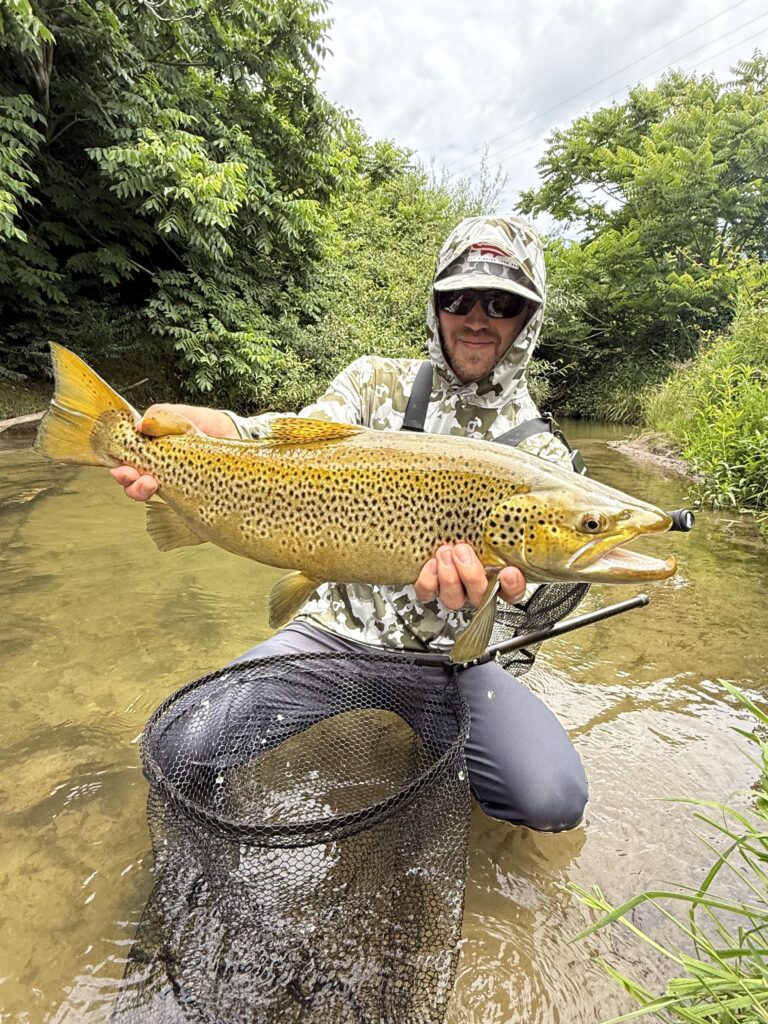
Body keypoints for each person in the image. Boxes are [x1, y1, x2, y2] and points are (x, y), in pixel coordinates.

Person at [112, 214, 589, 832]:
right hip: (336, 633)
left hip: (453, 666)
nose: (477, 317)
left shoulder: (547, 461)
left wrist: (505, 594)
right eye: (458, 297)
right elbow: (284, 444)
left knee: (551, 798)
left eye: (501, 302)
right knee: (184, 745)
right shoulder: (374, 382)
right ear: (436, 305)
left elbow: (556, 586)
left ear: (528, 319)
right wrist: (206, 433)